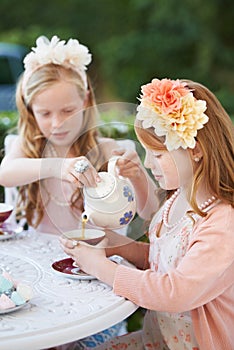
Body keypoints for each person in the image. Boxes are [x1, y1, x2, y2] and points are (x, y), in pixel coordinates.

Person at [0, 36, 159, 348]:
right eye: (44, 113)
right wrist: (57, 166)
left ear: (86, 99)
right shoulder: (25, 148)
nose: (57, 123)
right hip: (38, 285)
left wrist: (139, 177)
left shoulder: (110, 150)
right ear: (30, 109)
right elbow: (5, 174)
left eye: (68, 110)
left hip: (95, 289)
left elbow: (151, 213)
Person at [61, 78, 234, 350]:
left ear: (197, 148)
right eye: (146, 152)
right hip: (156, 341)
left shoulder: (223, 222)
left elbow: (175, 291)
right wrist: (113, 246)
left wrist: (99, 267)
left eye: (158, 154)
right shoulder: (177, 198)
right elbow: (163, 261)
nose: (147, 162)